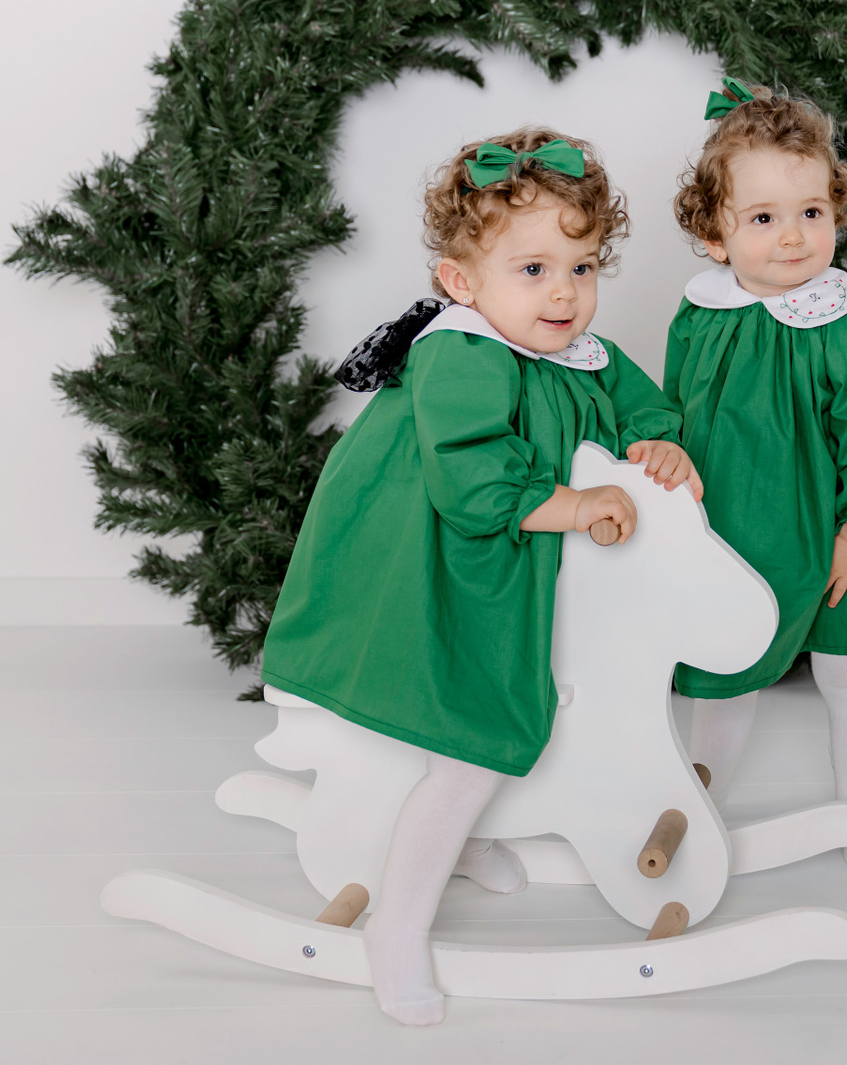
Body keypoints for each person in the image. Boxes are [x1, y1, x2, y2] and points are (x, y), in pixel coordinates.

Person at [260, 127, 701, 1025]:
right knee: (470, 737)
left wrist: (658, 441)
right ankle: (396, 930)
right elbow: (473, 479)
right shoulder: (460, 352)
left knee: (510, 710)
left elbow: (639, 401)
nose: (565, 293)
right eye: (533, 270)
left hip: (512, 561)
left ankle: (460, 842)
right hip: (439, 561)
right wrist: (573, 505)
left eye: (581, 267)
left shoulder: (577, 348)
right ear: (461, 282)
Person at [667, 79, 847, 871]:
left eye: (812, 212)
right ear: (716, 235)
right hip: (743, 520)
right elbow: (681, 410)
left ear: (835, 211)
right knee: (726, 669)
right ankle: (699, 809)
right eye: (763, 218)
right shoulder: (702, 313)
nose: (793, 236)